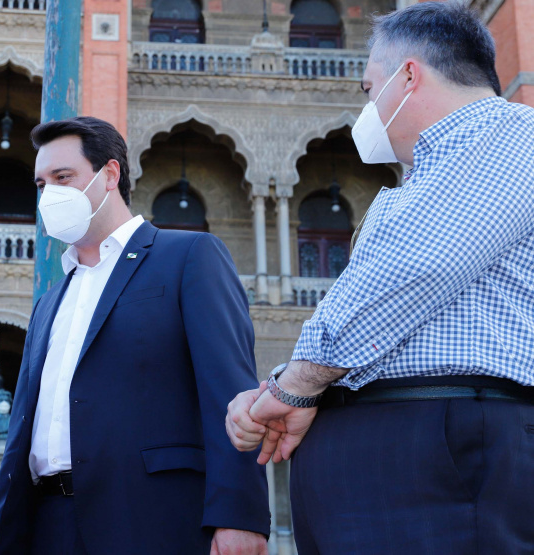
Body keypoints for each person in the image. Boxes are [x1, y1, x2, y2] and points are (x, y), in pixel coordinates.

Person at [225, 4, 534, 554]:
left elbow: (419, 268)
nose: (367, 107)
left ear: (409, 75)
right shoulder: (430, 177)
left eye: (370, 89)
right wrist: (293, 387)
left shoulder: (508, 132)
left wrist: (293, 384)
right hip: (404, 456)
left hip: (439, 453)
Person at [0, 117, 270, 555]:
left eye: (64, 177)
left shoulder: (187, 257)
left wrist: (239, 516)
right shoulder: (50, 302)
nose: (50, 195)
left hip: (151, 519)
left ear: (110, 174)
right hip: (47, 524)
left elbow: (229, 392)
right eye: (42, 184)